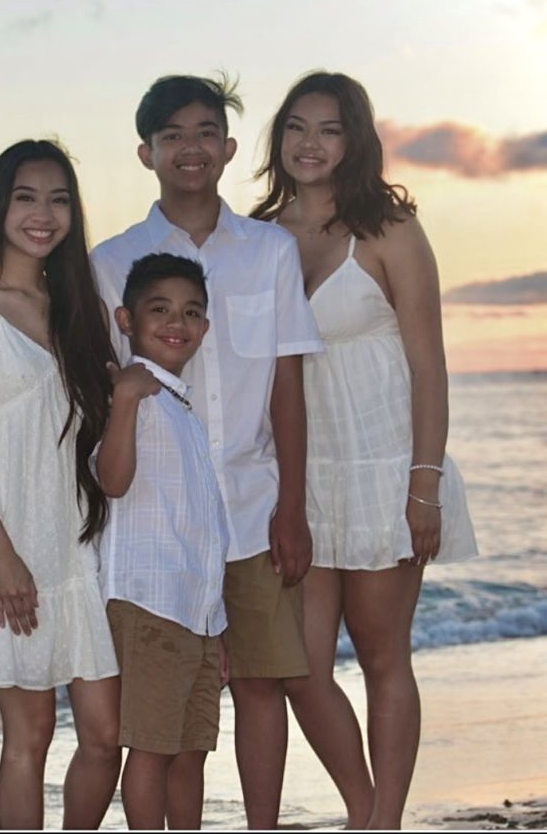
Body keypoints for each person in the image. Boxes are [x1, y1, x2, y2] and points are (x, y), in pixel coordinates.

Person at [91, 74, 324, 829]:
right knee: (156, 725)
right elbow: (105, 392)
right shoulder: (111, 259)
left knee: (257, 685)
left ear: (227, 147)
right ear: (146, 151)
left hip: (253, 507)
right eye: (172, 136)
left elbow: (287, 379)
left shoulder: (269, 250)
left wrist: (292, 503)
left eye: (204, 132)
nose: (190, 148)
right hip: (157, 530)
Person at [250, 70, 478, 829]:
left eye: (328, 129)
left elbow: (428, 365)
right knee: (303, 667)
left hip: (386, 471)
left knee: (385, 659)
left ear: (355, 140)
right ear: (278, 138)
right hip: (302, 482)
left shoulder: (391, 231)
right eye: (295, 127)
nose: (309, 144)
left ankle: (383, 821)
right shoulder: (259, 237)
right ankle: (362, 804)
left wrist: (425, 484)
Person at [0, 139, 121, 830]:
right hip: (1, 543)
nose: (44, 214)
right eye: (27, 197)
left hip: (72, 543)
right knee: (29, 734)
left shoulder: (75, 306)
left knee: (105, 734)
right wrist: (0, 552)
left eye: (60, 199)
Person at [95, 253, 230, 830]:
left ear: (203, 327)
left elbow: (201, 530)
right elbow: (113, 481)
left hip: (194, 615)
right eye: (160, 309)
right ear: (126, 320)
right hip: (148, 605)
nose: (177, 322)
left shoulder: (180, 407)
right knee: (150, 750)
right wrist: (124, 400)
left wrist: (215, 624)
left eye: (191, 312)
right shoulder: (134, 396)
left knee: (191, 750)